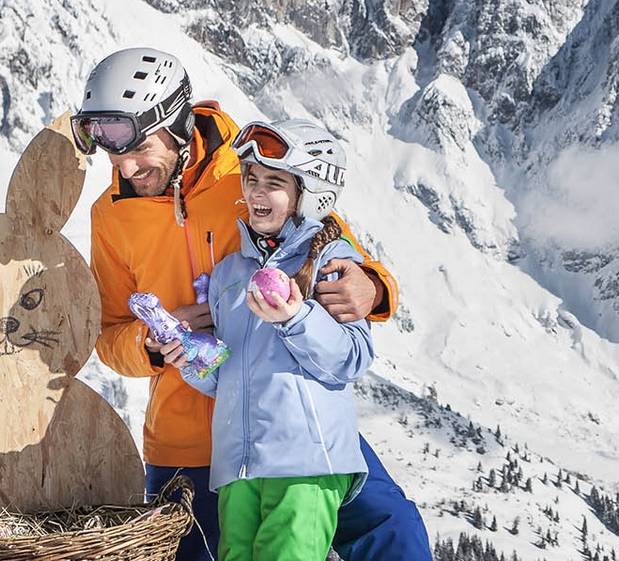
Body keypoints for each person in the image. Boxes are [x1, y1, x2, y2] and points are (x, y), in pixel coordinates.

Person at [75, 48, 430, 560]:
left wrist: (373, 287)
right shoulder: (111, 216)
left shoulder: (249, 173)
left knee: (394, 534)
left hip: (292, 422)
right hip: (188, 438)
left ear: (175, 122)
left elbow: (329, 242)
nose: (127, 168)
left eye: (140, 148)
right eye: (114, 158)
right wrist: (150, 343)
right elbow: (108, 335)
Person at [177, 119, 372, 560]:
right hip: (238, 468)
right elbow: (228, 379)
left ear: (311, 193)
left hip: (304, 464)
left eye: (274, 183)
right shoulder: (229, 274)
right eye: (251, 179)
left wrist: (295, 317)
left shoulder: (331, 262)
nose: (256, 192)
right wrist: (189, 357)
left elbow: (353, 357)